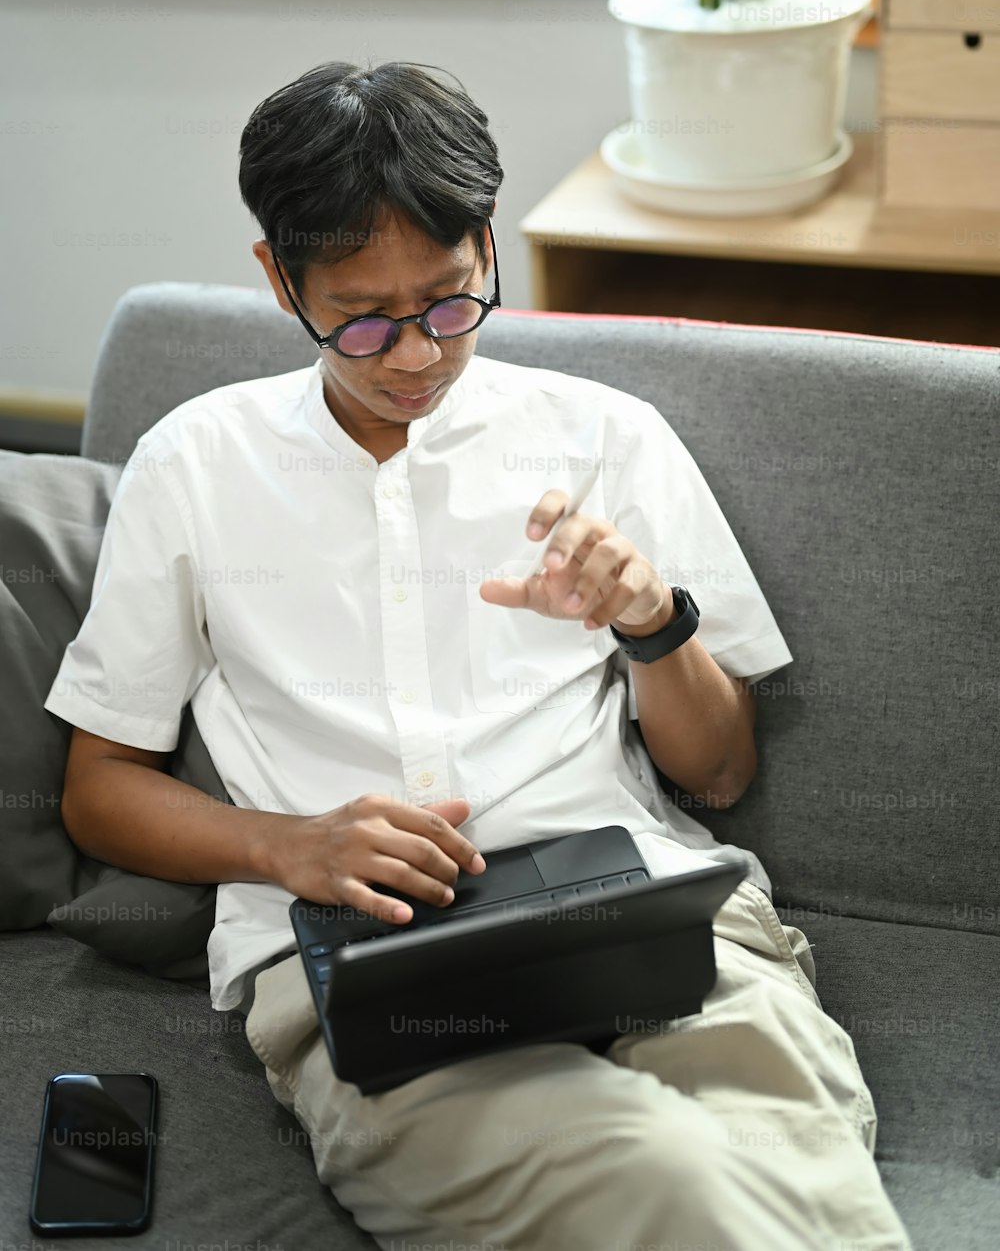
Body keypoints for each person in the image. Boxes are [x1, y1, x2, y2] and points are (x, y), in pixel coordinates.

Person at [47, 61, 913, 1251]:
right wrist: (288, 844)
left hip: (646, 913)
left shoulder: (604, 437)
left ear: (488, 248)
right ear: (275, 278)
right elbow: (98, 788)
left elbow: (716, 778)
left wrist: (651, 623)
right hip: (371, 960)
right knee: (656, 1177)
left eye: (450, 302)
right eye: (360, 316)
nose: (413, 354)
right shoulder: (195, 465)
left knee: (816, 1199)